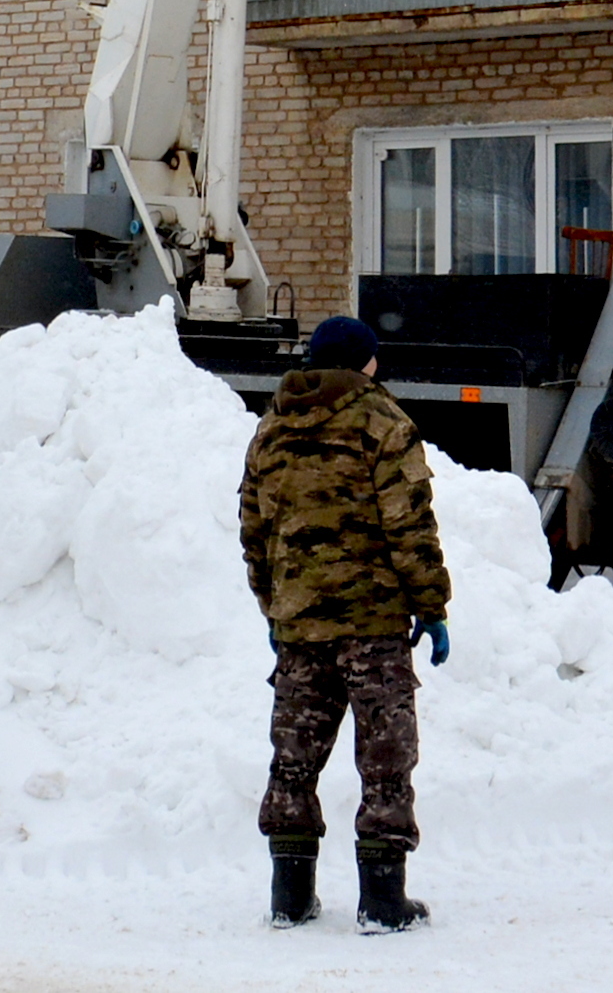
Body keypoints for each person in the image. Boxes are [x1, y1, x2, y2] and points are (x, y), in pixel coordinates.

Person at [235, 313, 449, 933]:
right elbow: (408, 524)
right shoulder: (381, 421)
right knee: (385, 756)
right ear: (365, 362)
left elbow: (254, 528)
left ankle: (290, 896)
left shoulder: (272, 427)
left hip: (300, 624)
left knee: (295, 756)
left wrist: (272, 603)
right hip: (371, 622)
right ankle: (382, 902)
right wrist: (431, 605)